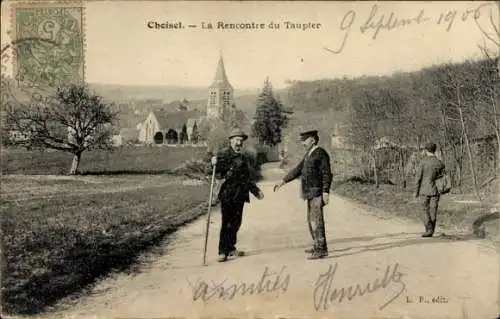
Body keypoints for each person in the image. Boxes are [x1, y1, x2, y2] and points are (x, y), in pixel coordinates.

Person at [273, 129, 333, 260]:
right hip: (309, 193)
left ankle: (321, 249)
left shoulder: (320, 153)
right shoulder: (309, 154)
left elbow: (326, 174)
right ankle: (317, 244)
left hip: (317, 192)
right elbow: (297, 170)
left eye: (304, 140)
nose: (302, 143)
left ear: (312, 140)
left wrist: (326, 192)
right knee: (311, 220)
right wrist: (283, 181)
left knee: (317, 221)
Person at [211, 128, 264, 262]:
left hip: (240, 194)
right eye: (236, 140)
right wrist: (212, 164)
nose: (239, 143)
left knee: (236, 222)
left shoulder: (244, 157)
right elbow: (216, 172)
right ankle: (222, 251)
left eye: (241, 140)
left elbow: (246, 178)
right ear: (231, 140)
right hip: (228, 194)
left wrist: (256, 191)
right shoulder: (223, 154)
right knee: (226, 223)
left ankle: (231, 248)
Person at [415, 142, 445, 237]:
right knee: (433, 210)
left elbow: (418, 178)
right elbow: (444, 176)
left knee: (423, 209)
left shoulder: (423, 162)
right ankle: (431, 230)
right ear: (434, 150)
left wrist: (416, 191)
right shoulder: (439, 163)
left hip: (424, 190)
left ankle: (429, 227)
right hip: (436, 190)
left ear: (426, 150)